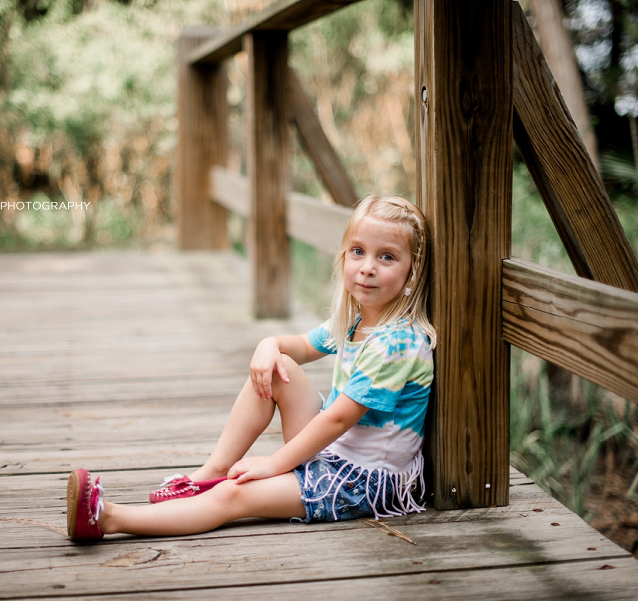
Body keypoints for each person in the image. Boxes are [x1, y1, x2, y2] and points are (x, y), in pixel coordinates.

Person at [67, 194, 436, 541]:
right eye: (358, 251)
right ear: (343, 257)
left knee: (234, 495)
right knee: (277, 367)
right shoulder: (358, 318)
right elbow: (303, 346)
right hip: (333, 451)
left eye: (387, 257)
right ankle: (210, 473)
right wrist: (268, 345)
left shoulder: (397, 343)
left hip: (361, 481)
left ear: (412, 272)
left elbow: (337, 420)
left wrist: (273, 464)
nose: (367, 268)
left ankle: (106, 517)